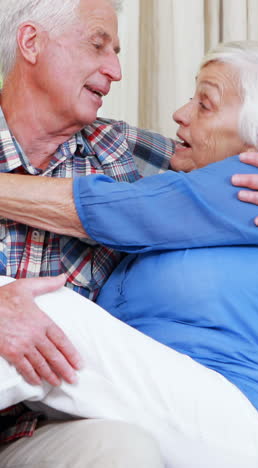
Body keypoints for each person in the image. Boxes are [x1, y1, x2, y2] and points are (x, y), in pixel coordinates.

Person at [1, 40, 258, 468]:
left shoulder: (248, 181)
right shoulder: (176, 185)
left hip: (234, 419)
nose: (180, 113)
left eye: (205, 103)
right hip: (167, 416)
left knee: (32, 308)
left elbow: (117, 209)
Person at [0, 0, 176, 466]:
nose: (116, 70)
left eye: (117, 51)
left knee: (123, 449)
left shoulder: (123, 153)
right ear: (31, 43)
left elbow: (225, 154)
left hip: (33, 435)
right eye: (99, 46)